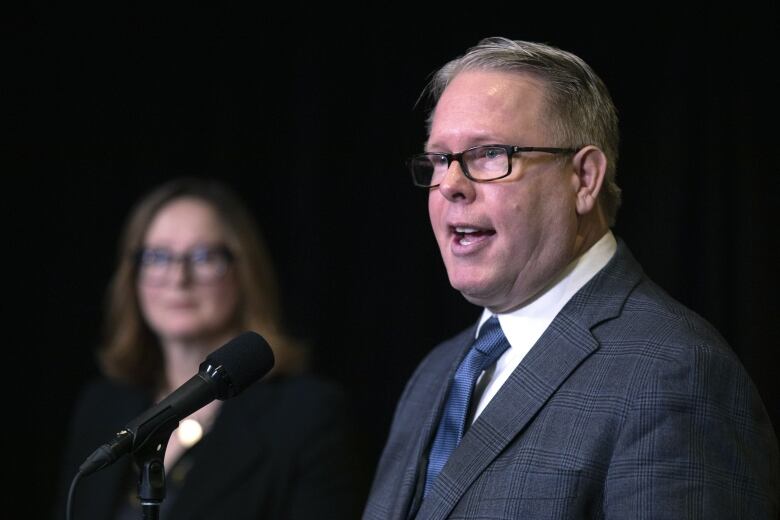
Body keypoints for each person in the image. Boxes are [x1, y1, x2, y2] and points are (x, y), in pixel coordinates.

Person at [363, 38, 779, 519]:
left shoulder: (674, 373)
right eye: (440, 159)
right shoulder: (437, 373)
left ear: (583, 178)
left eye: (490, 154)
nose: (451, 185)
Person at [55, 177, 363, 519]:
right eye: (157, 257)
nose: (178, 278)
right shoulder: (102, 406)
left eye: (202, 257)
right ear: (134, 275)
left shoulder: (308, 414)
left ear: (242, 271)